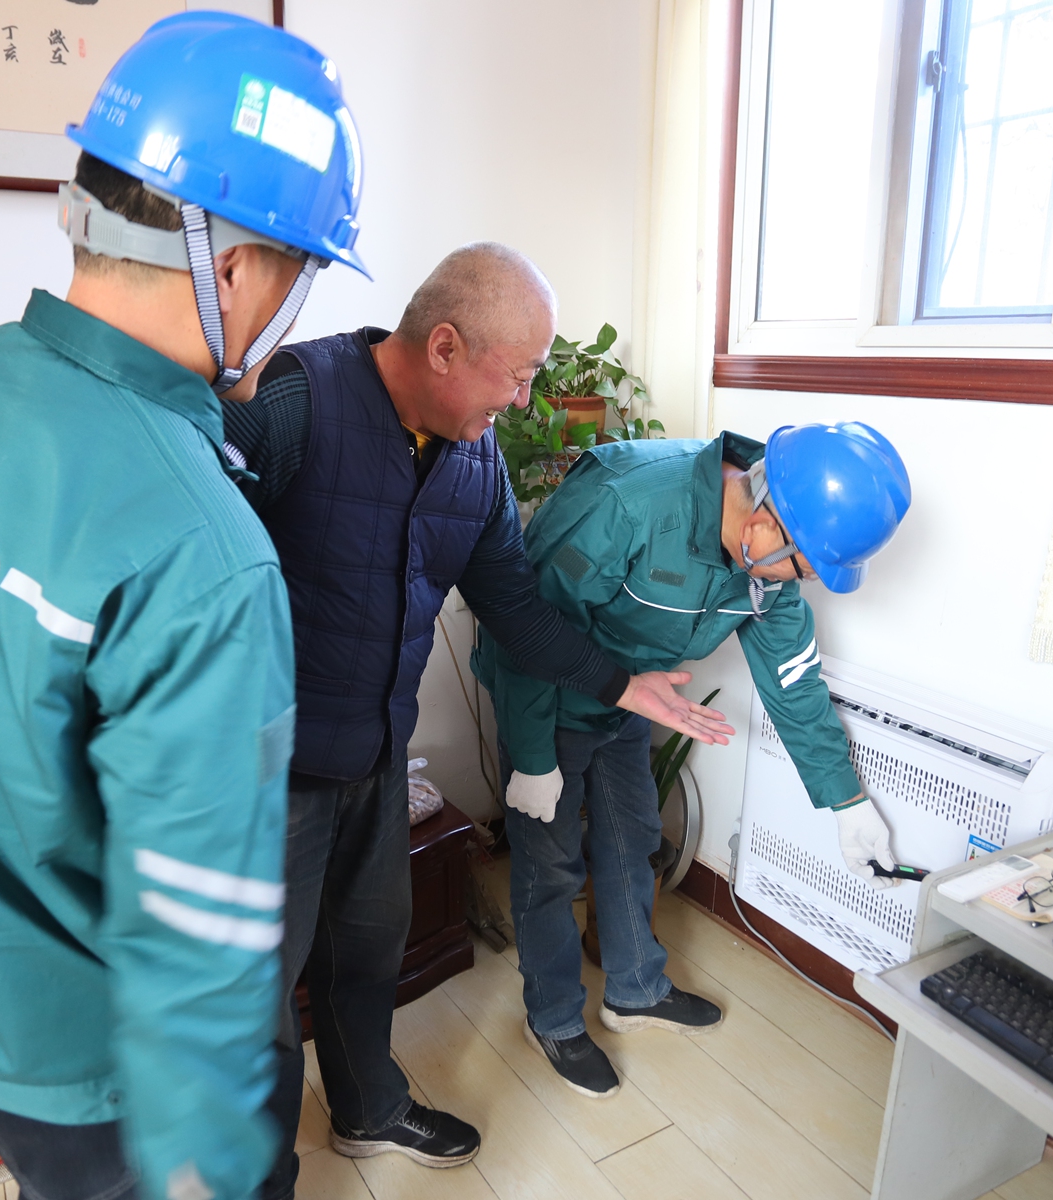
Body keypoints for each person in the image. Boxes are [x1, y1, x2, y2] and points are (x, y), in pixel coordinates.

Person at [0, 14, 364, 1200]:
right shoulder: (202, 551)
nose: (289, 307)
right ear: (230, 265)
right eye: (297, 270)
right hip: (90, 1069)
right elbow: (201, 949)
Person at [221, 243, 733, 1199]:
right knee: (254, 1000)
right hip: (262, 767)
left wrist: (626, 686)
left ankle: (368, 1108)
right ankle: (258, 1179)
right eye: (521, 375)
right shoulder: (298, 398)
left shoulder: (475, 461)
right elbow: (190, 555)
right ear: (445, 346)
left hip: (375, 753)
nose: (529, 403)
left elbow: (521, 613)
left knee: (369, 948)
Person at [472, 423, 912, 1099]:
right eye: (803, 565)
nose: (801, 582)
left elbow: (794, 680)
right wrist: (532, 757)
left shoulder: (765, 568)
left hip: (633, 700)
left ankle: (636, 990)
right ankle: (555, 1018)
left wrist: (847, 802)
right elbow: (528, 627)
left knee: (632, 839)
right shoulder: (631, 502)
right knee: (550, 863)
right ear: (766, 521)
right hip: (547, 694)